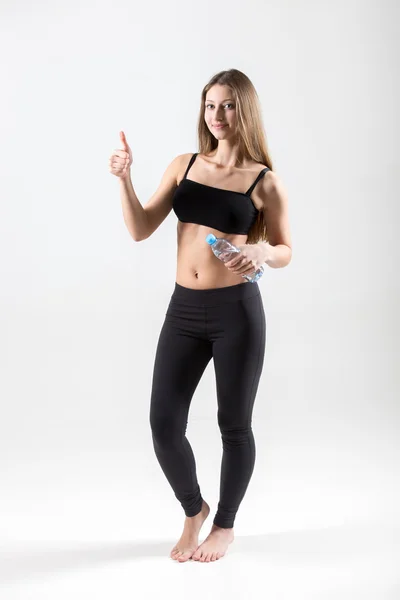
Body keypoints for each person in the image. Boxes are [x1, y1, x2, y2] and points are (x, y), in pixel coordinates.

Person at [109, 68, 292, 563]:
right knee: (163, 422)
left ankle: (225, 526)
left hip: (237, 312)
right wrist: (126, 180)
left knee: (234, 425)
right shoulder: (184, 165)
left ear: (245, 110)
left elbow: (285, 249)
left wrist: (260, 253)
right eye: (210, 105)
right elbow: (141, 228)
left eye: (228, 105)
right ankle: (194, 509)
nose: (217, 116)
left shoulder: (262, 181)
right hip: (183, 310)